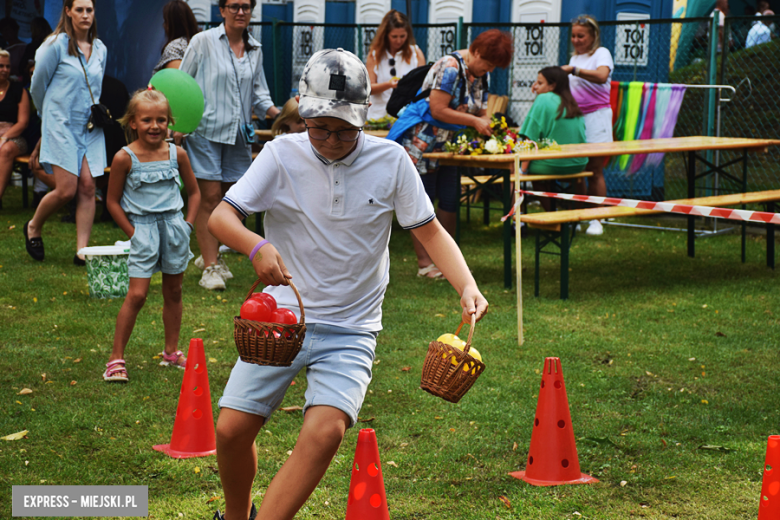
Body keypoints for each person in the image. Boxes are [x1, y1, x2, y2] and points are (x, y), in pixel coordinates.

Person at [207, 48, 488, 520]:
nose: (333, 139)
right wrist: (255, 247)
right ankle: (237, 515)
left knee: (326, 432)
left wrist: (467, 285)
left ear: (362, 119)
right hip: (281, 321)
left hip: (351, 327)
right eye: (321, 129)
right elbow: (221, 216)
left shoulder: (392, 160)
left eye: (345, 129)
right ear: (303, 115)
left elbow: (430, 230)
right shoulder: (280, 154)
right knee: (232, 430)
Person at [387, 28, 513, 278]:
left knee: (450, 198)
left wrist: (487, 124)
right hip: (422, 141)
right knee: (424, 200)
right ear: (475, 51)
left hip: (450, 146)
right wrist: (475, 122)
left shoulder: (480, 74)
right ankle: (425, 265)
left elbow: (482, 110)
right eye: (488, 63)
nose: (489, 70)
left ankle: (447, 262)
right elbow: (437, 109)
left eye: (494, 66)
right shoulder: (450, 66)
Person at [179, 0, 280, 291]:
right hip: (205, 132)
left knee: (233, 202)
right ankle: (210, 267)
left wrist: (283, 117)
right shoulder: (203, 41)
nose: (240, 12)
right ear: (221, 10)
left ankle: (210, 254)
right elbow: (183, 84)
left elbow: (260, 95)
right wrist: (178, 125)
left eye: (246, 6)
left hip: (238, 135)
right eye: (234, 6)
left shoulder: (255, 48)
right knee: (209, 198)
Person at [103, 88, 200, 382]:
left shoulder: (177, 154)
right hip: (143, 230)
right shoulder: (124, 158)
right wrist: (134, 233)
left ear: (169, 121)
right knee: (137, 295)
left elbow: (194, 193)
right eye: (146, 120)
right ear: (133, 122)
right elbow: (111, 201)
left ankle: (171, 352)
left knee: (174, 291)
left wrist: (187, 225)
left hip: (174, 229)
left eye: (161, 120)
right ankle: (115, 358)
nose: (155, 126)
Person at [24, 0, 107, 265]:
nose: (85, 15)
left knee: (87, 186)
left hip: (89, 127)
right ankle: (34, 225)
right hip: (60, 124)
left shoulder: (101, 48)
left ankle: (81, 250)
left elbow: (96, 86)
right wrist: (44, 115)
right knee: (67, 189)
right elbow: (37, 86)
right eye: (79, 9)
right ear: (68, 12)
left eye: (89, 10)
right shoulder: (54, 45)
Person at [561, 15, 613, 236]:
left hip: (597, 118)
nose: (576, 40)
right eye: (573, 36)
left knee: (594, 170)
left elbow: (602, 76)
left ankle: (597, 219)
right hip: (577, 120)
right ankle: (579, 215)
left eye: (581, 36)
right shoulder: (575, 58)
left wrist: (574, 71)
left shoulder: (602, 54)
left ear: (593, 36)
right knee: (577, 170)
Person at [519, 66, 587, 212]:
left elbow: (529, 138)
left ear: (552, 86)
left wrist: (522, 170)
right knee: (572, 176)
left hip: (555, 163)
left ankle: (552, 214)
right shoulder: (570, 101)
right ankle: (573, 216)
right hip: (579, 162)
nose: (534, 87)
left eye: (539, 83)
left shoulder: (543, 99)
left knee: (533, 172)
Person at [365, 9, 425, 121]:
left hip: (406, 117)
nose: (399, 41)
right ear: (386, 35)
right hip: (378, 117)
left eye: (402, 36)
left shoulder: (416, 53)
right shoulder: (374, 55)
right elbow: (369, 88)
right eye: (394, 36)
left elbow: (423, 87)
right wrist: (389, 84)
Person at [0, 49, 30, 207]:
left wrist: (4, 138)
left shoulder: (19, 90)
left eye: (7, 66)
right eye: (0, 66)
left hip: (15, 137)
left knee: (5, 149)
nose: (4, 70)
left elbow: (22, 122)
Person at [152, 0, 200, 75]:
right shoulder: (199, 43)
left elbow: (177, 81)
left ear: (171, 24)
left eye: (165, 21)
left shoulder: (174, 47)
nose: (164, 25)